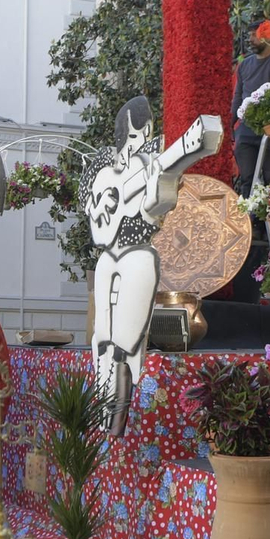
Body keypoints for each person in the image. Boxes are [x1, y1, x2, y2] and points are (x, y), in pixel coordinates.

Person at [83, 96, 219, 435]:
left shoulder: (151, 165)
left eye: (144, 135)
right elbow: (94, 204)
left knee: (127, 341)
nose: (139, 143)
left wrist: (173, 164)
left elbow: (155, 202)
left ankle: (118, 420)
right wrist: (103, 204)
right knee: (101, 337)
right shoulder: (105, 169)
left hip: (136, 255)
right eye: (133, 136)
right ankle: (101, 411)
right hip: (107, 258)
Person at [231, 21, 270, 198]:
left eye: (254, 35)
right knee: (247, 180)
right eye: (249, 35)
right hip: (246, 131)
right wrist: (230, 124)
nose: (250, 39)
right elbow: (238, 97)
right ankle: (252, 223)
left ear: (266, 35)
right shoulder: (245, 65)